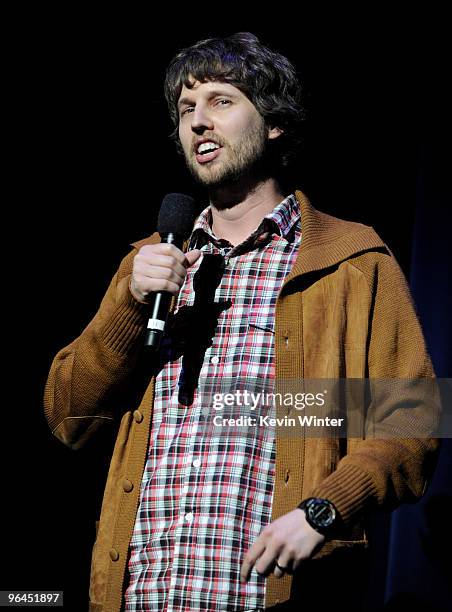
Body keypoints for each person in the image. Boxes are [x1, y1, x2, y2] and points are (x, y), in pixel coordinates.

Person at [44, 32, 438, 611]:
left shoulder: (346, 261)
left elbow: (410, 420)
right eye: (185, 109)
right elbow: (67, 415)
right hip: (145, 596)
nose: (197, 121)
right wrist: (130, 305)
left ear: (273, 122)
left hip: (265, 595)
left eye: (221, 101)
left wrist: (323, 510)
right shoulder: (152, 262)